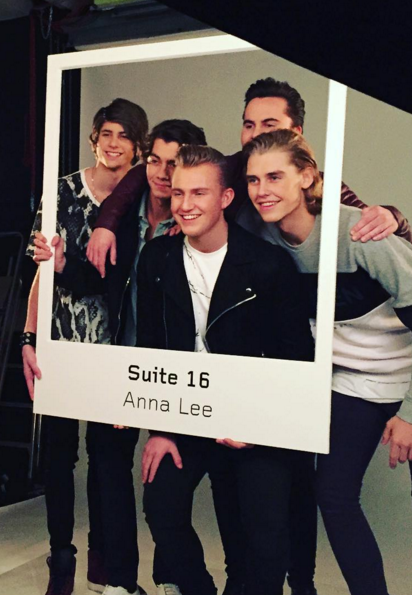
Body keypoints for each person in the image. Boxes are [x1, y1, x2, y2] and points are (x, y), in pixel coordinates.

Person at [241, 129, 412, 595]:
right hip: (354, 384)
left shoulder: (361, 234)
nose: (262, 190)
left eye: (275, 177)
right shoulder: (261, 237)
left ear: (307, 177)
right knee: (334, 497)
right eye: (253, 180)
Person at [136, 144, 315, 595]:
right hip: (186, 413)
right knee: (161, 505)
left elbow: (296, 358)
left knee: (263, 537)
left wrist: (255, 422)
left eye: (199, 193)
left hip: (255, 419)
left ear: (226, 198)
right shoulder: (156, 258)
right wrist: (160, 427)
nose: (185, 205)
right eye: (178, 193)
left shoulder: (269, 265)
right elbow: (152, 346)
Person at [86, 77, 412, 279]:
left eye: (269, 125)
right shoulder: (228, 169)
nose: (255, 135)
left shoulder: (316, 183)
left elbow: (374, 230)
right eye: (249, 124)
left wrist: (392, 217)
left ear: (296, 132)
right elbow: (151, 174)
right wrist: (106, 224)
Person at [21, 98, 150, 595]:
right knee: (58, 458)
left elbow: (123, 277)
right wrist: (29, 337)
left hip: (115, 349)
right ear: (94, 139)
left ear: (138, 147)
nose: (113, 144)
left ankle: (104, 560)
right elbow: (43, 273)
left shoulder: (141, 199)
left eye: (124, 135)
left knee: (108, 460)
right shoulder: (62, 191)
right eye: (106, 133)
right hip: (60, 344)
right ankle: (61, 558)